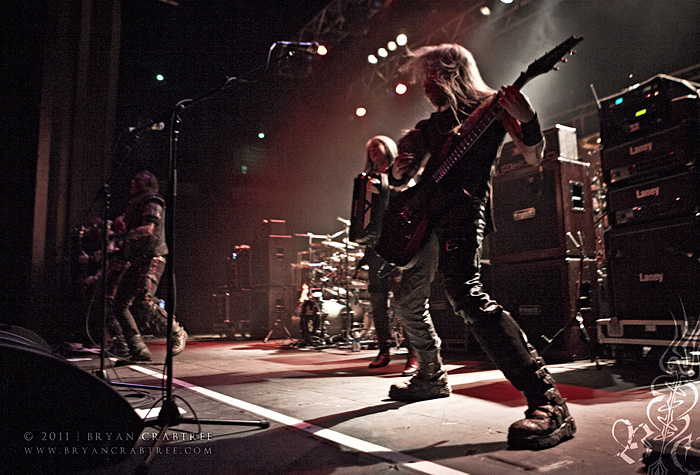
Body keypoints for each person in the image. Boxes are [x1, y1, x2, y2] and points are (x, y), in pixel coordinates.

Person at [383, 44, 575, 450]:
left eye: (426, 76)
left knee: (467, 296)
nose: (422, 85)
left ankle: (547, 400)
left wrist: (527, 118)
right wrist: (399, 172)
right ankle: (431, 377)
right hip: (425, 216)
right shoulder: (428, 126)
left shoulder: (492, 110)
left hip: (462, 211)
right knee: (407, 300)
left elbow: (534, 155)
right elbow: (405, 176)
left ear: (445, 72)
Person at [108, 170, 187, 361]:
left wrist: (122, 235)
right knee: (118, 304)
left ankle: (176, 332)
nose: (132, 182)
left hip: (153, 257)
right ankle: (136, 349)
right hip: (136, 259)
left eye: (136, 180)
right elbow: (126, 224)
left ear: (146, 183)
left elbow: (148, 229)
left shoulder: (153, 200)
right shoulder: (134, 204)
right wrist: (119, 223)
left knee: (144, 300)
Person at [358, 136, 417, 375]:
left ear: (388, 147)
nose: (372, 149)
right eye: (369, 147)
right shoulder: (368, 180)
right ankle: (384, 350)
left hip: (400, 243)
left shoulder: (403, 173)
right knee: (378, 301)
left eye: (376, 144)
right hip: (375, 247)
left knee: (404, 301)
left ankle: (414, 355)